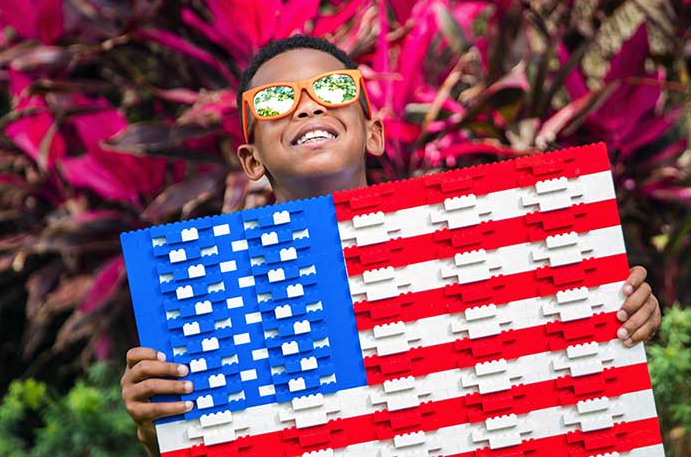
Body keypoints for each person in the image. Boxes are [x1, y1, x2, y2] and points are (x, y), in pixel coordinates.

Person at [120, 35, 662, 456]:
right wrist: (158, 429)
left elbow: (560, 386)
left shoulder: (477, 238)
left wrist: (620, 314)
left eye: (333, 91)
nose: (307, 109)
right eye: (276, 101)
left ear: (373, 133)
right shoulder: (210, 294)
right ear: (251, 159)